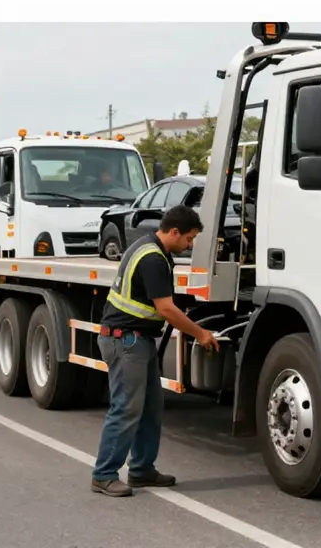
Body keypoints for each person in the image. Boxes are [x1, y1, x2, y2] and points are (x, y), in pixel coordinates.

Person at [91, 205, 220, 497]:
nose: (190, 244)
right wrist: (199, 333)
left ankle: (141, 470)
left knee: (150, 407)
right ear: (174, 231)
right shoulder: (152, 258)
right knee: (127, 408)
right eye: (189, 238)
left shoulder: (150, 247)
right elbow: (165, 308)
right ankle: (104, 474)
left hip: (136, 340)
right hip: (126, 341)